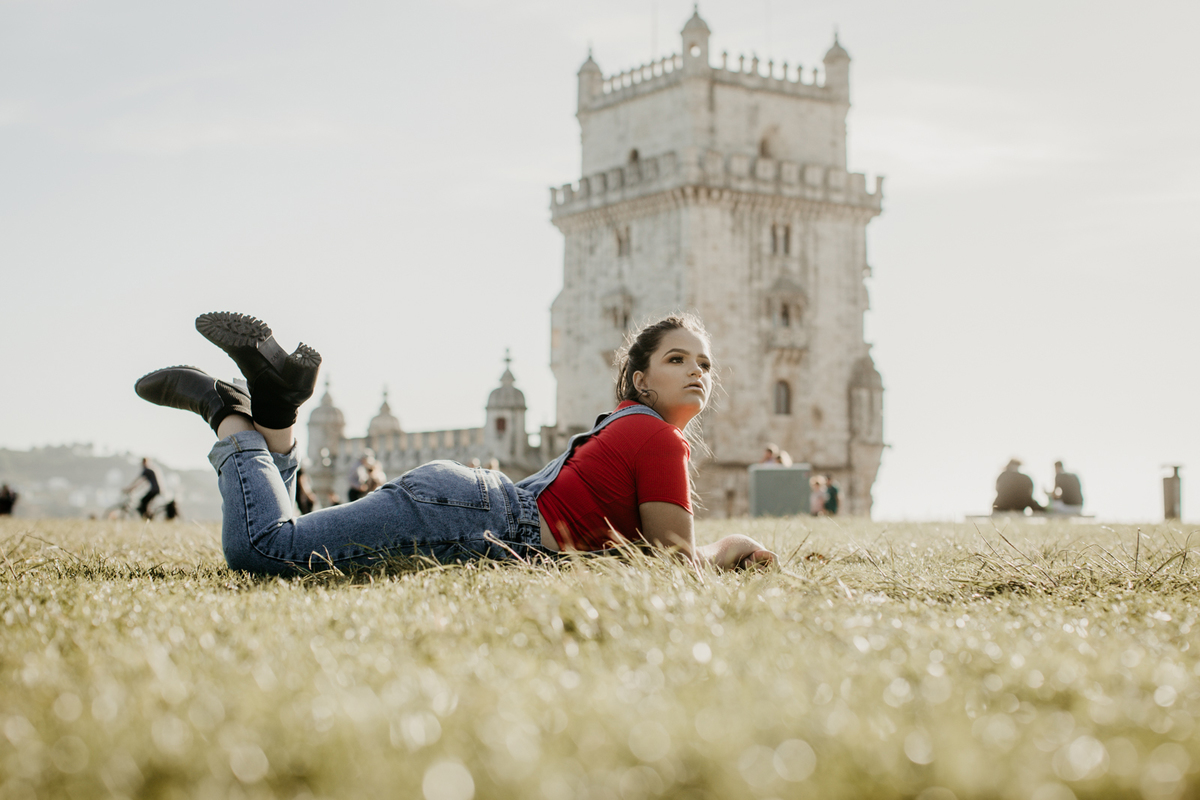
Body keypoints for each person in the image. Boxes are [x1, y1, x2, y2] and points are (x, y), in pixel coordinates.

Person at [134, 311, 776, 575]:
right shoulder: (657, 438)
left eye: (705, 363)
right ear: (639, 380)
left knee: (293, 536)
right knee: (265, 550)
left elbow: (647, 556)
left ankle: (276, 411)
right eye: (675, 359)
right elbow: (675, 570)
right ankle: (228, 413)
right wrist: (729, 550)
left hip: (467, 502)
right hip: (474, 518)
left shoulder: (623, 425)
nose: (697, 370)